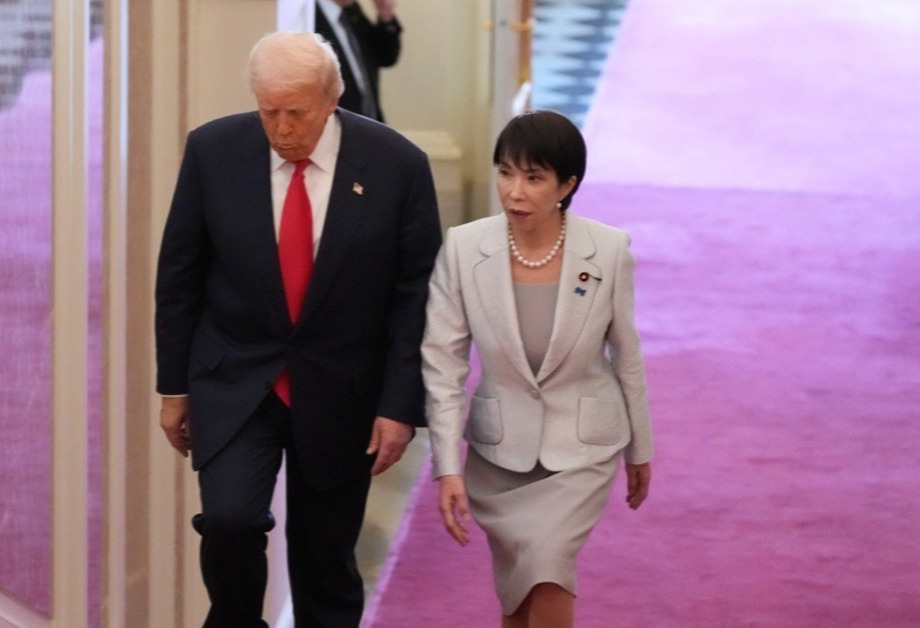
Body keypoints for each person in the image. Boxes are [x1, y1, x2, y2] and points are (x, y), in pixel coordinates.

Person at [155, 31, 442, 628]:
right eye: (269, 112)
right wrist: (174, 387)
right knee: (229, 521)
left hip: (342, 387)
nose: (282, 129)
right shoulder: (213, 151)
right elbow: (179, 276)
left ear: (332, 99)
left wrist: (398, 406)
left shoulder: (397, 166)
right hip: (237, 379)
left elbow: (415, 297)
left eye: (297, 113)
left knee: (324, 561)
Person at [421, 110, 654, 628]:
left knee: (548, 569)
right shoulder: (464, 248)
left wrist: (641, 447)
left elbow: (627, 354)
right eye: (505, 173)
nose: (514, 192)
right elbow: (442, 364)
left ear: (566, 186)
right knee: (518, 591)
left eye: (533, 178)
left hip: (582, 449)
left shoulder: (608, 250)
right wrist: (447, 465)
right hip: (500, 453)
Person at [314, 0, 401, 123]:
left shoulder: (351, 10)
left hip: (369, 123)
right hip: (337, 125)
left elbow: (385, 57)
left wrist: (385, 14)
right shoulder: (309, 16)